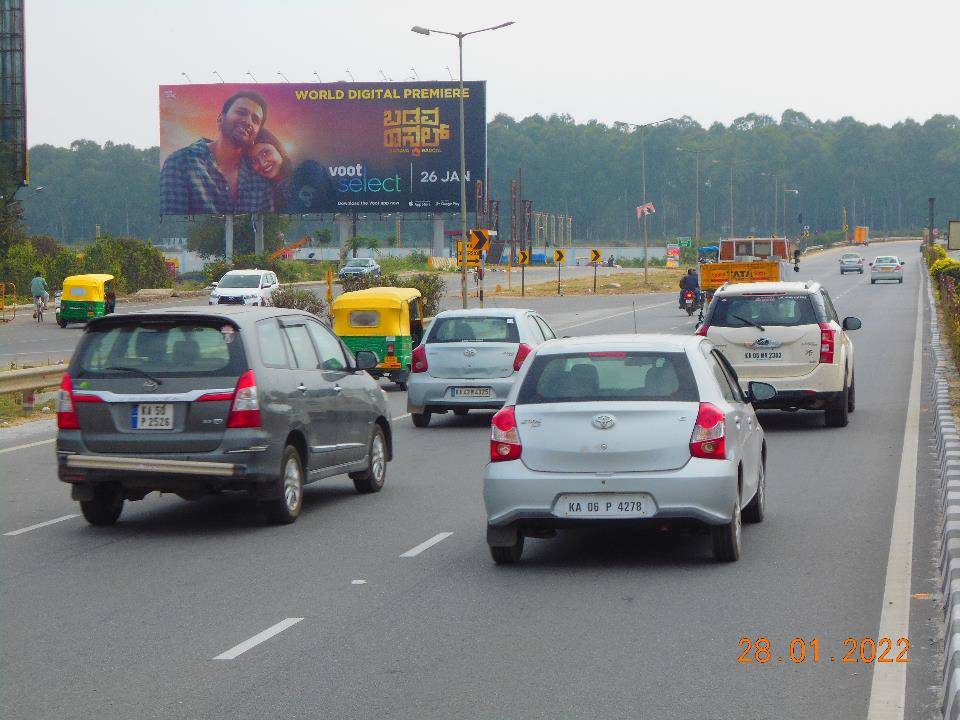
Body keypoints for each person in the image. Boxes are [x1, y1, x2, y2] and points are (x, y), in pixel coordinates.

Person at [160, 91, 275, 214]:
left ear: (256, 134)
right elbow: (173, 225)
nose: (248, 121)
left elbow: (266, 228)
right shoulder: (180, 163)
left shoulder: (260, 182)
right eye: (241, 113)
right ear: (221, 118)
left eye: (255, 120)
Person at [247, 128, 294, 212]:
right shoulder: (259, 195)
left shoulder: (306, 174)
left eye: (265, 153)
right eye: (254, 161)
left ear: (279, 149)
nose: (262, 163)